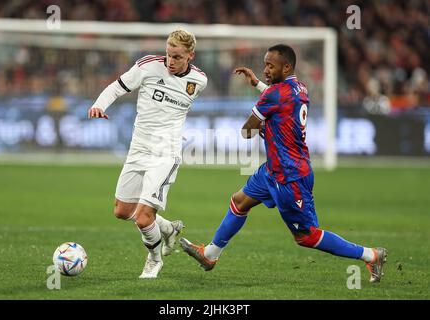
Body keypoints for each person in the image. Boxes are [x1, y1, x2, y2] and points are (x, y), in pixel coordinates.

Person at [179, 44, 387, 283]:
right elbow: (278, 100)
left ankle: (371, 255)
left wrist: (260, 124)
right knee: (239, 201)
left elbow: (247, 131)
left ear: (286, 67)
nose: (266, 69)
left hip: (290, 176)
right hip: (273, 170)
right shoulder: (299, 88)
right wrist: (258, 85)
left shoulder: (274, 94)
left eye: (270, 65)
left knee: (306, 236)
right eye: (265, 64)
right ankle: (210, 254)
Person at [88, 29, 207, 278]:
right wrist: (99, 104)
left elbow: (173, 113)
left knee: (143, 218)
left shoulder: (199, 81)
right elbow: (116, 87)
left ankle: (154, 260)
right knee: (121, 211)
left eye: (176, 57)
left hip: (166, 152)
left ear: (190, 56)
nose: (170, 62)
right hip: (138, 148)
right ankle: (168, 228)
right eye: (168, 55)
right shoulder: (148, 66)